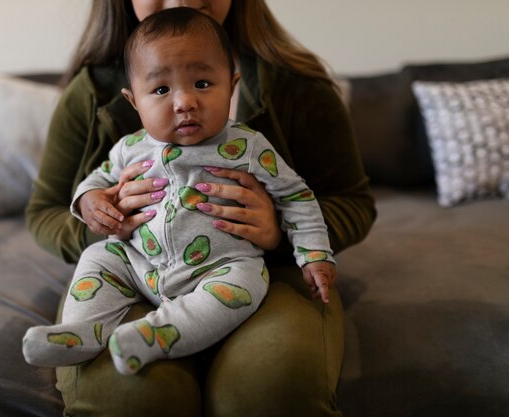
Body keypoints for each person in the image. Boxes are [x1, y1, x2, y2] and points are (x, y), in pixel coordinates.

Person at [26, 0, 376, 415]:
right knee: (127, 382)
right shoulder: (118, 129)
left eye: (205, 84)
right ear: (132, 100)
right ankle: (83, 331)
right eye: (160, 90)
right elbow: (57, 203)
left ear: (232, 83)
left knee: (268, 388)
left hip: (247, 268)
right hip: (139, 264)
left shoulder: (263, 126)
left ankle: (164, 332)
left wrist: (280, 233)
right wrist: (101, 214)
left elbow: (335, 200)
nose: (184, 103)